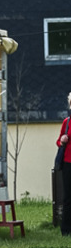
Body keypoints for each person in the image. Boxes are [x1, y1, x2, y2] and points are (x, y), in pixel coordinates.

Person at [56, 91, 71, 236]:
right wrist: (62, 140)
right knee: (67, 197)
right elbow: (59, 141)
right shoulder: (67, 122)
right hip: (68, 163)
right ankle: (66, 230)